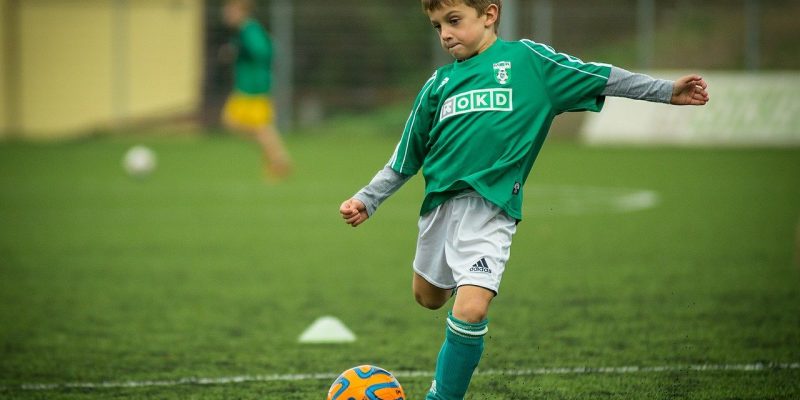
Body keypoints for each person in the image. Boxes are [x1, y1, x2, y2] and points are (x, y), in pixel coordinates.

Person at [339, 0, 709, 399]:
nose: (445, 33)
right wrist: (368, 199)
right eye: (437, 26)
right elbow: (405, 158)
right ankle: (455, 282)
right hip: (439, 211)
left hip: (491, 211)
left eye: (454, 20)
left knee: (471, 309)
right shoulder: (438, 85)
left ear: (490, 14)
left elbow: (599, 76)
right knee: (428, 297)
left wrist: (666, 91)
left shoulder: (528, 62)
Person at [221, 0, 291, 181]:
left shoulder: (249, 30)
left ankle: (279, 160)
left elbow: (264, 50)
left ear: (240, 11)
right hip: (246, 87)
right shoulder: (244, 31)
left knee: (258, 128)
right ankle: (277, 158)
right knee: (237, 124)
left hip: (253, 88)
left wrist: (240, 51)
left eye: (230, 10)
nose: (226, 13)